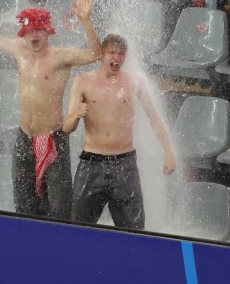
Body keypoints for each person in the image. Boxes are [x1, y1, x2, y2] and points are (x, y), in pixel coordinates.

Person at [0, 0, 102, 220]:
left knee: (59, 210)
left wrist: (85, 20)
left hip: (54, 140)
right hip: (24, 137)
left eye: (38, 30)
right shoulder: (19, 50)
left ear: (48, 31)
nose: (34, 36)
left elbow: (96, 54)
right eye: (29, 31)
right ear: (22, 34)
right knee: (23, 206)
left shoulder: (61, 57)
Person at [64, 34, 176, 230]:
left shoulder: (134, 81)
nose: (116, 58)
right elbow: (67, 127)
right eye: (111, 53)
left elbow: (155, 118)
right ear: (102, 54)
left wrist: (169, 153)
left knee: (133, 230)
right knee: (77, 228)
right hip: (91, 163)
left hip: (124, 164)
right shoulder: (83, 81)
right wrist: (76, 116)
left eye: (121, 54)